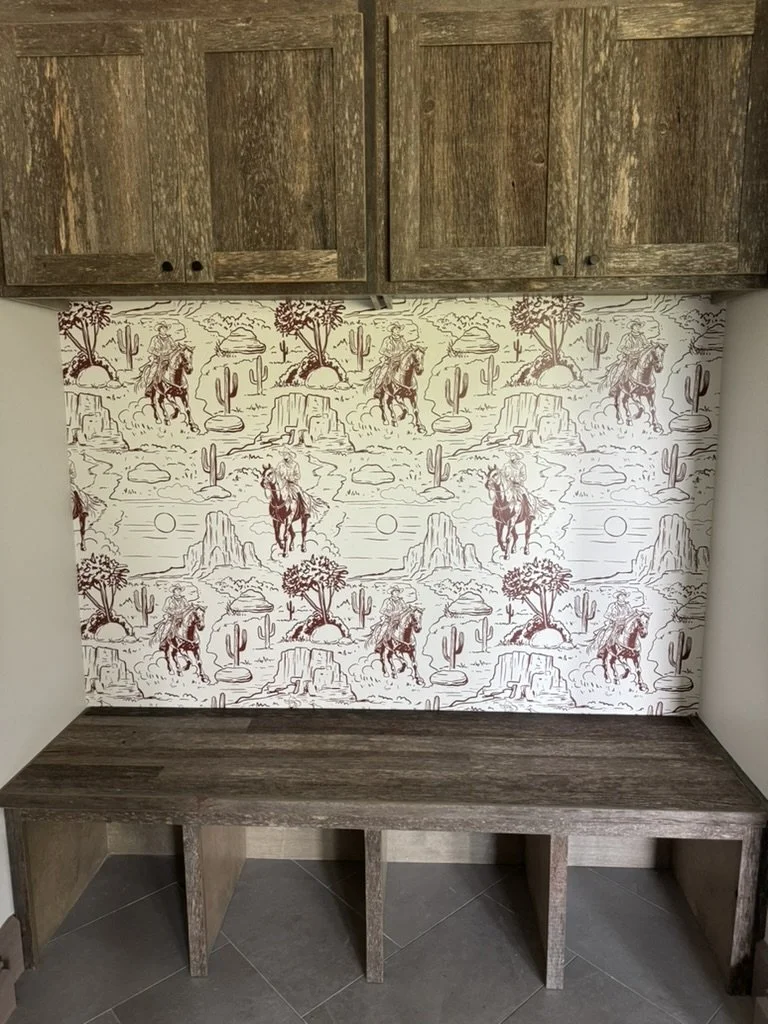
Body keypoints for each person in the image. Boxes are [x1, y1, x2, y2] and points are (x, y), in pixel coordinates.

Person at [273, 451, 302, 518]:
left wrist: (289, 478)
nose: (284, 456)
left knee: (299, 493)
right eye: (283, 454)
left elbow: (298, 476)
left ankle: (304, 510)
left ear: (290, 455)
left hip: (292, 484)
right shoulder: (280, 464)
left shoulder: (295, 464)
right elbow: (277, 473)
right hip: (282, 485)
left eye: (286, 454)